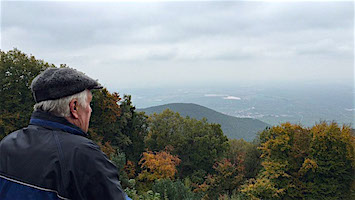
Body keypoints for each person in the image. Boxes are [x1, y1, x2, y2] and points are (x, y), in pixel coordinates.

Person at [0, 68, 129, 200]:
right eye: (89, 103)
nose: (90, 110)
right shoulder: (83, 156)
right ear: (74, 107)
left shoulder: (7, 144)